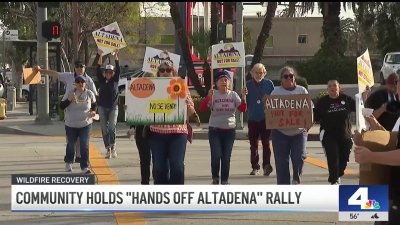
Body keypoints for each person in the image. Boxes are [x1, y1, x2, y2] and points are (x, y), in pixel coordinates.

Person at [33, 61, 98, 163]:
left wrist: (93, 111)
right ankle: (71, 155)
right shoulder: (69, 76)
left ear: (85, 67)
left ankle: (79, 156)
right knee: (71, 139)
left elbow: (94, 96)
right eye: (77, 66)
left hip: (84, 113)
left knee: (82, 139)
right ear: (74, 68)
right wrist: (40, 70)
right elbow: (55, 74)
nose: (79, 68)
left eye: (82, 66)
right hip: (69, 110)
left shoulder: (89, 81)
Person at [147, 60, 196, 184]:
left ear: (173, 72)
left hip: (178, 133)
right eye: (162, 70)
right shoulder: (151, 87)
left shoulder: (182, 86)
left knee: (177, 166)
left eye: (168, 70)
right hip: (157, 133)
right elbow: (142, 107)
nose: (164, 72)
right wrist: (131, 108)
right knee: (159, 168)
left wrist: (186, 104)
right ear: (158, 73)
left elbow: (190, 112)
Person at [199, 69, 248, 185]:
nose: (224, 81)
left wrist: (244, 97)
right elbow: (202, 109)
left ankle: (225, 180)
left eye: (226, 79)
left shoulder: (233, 95)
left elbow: (242, 109)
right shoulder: (213, 94)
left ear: (230, 82)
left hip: (229, 130)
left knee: (226, 157)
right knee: (216, 155)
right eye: (221, 79)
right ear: (216, 82)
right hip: (215, 130)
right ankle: (215, 177)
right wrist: (208, 97)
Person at [270, 66, 312, 185]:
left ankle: (296, 180)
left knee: (299, 157)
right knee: (282, 162)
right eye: (286, 76)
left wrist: (308, 125)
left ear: (294, 78)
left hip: (299, 132)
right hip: (280, 133)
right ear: (281, 79)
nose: (289, 78)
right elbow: (270, 111)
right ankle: (284, 188)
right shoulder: (275, 92)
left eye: (291, 76)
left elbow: (309, 109)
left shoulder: (302, 90)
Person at [314, 80, 355, 184]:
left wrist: (364, 96)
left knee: (344, 159)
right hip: (328, 135)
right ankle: (334, 180)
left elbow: (359, 107)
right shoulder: (322, 101)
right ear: (327, 89)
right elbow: (314, 117)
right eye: (330, 86)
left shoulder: (346, 99)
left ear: (338, 88)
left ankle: (337, 174)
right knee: (333, 157)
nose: (332, 87)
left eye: (334, 85)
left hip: (345, 135)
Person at [59, 75, 97, 174]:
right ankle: (68, 162)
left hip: (85, 123)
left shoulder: (89, 93)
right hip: (71, 124)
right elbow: (61, 106)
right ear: (75, 83)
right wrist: (69, 100)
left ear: (85, 83)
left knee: (84, 145)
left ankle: (84, 166)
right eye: (78, 82)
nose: (80, 84)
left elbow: (94, 104)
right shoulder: (70, 93)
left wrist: (93, 111)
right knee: (71, 144)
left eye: (82, 82)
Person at [245, 63, 274, 176]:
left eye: (260, 72)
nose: (258, 75)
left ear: (264, 73)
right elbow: (243, 103)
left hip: (266, 119)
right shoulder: (247, 85)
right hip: (252, 119)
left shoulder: (269, 84)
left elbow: (274, 99)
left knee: (266, 144)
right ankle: (255, 167)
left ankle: (266, 166)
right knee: (254, 145)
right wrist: (243, 95)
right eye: (256, 72)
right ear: (252, 73)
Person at [127, 72, 155, 185]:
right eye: (145, 81)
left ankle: (158, 182)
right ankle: (145, 183)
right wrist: (132, 127)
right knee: (144, 160)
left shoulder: (161, 94)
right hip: (141, 131)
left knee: (158, 160)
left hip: (157, 131)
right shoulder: (137, 95)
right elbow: (133, 110)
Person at [96, 49, 120, 159]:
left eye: (111, 72)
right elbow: (97, 69)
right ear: (105, 73)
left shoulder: (115, 80)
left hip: (113, 107)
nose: (109, 74)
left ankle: (113, 146)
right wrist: (100, 55)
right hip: (102, 107)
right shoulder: (101, 80)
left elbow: (118, 69)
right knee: (104, 128)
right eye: (107, 72)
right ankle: (108, 149)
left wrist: (116, 57)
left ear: (113, 73)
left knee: (111, 127)